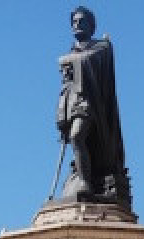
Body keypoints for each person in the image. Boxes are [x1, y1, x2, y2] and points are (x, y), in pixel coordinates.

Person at [56, 5, 129, 206]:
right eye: (74, 22)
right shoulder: (73, 51)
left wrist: (68, 61)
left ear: (91, 26)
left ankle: (85, 183)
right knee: (78, 141)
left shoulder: (101, 47)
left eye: (81, 21)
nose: (76, 25)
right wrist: (61, 113)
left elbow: (86, 60)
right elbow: (65, 85)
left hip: (91, 103)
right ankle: (83, 178)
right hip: (72, 103)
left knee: (77, 136)